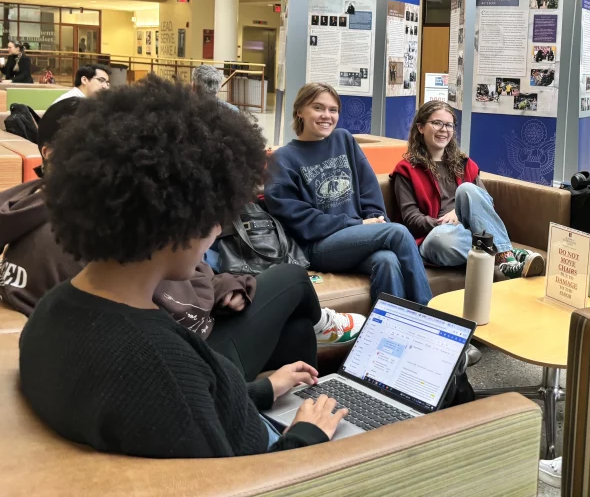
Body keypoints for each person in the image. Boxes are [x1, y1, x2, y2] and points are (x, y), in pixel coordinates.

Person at [19, 78, 350, 457]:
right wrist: (307, 435)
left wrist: (263, 389)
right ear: (180, 219)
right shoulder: (160, 364)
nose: (215, 232)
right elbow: (238, 480)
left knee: (293, 331)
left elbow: (195, 403)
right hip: (276, 460)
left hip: (242, 415)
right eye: (216, 218)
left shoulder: (52, 311)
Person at [1, 95, 364, 372]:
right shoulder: (90, 234)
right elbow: (165, 327)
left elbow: (178, 286)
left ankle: (308, 347)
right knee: (291, 279)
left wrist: (226, 287)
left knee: (297, 329)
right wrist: (264, 395)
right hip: (191, 352)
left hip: (193, 333)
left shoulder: (50, 216)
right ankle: (319, 331)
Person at [265, 83, 432, 306]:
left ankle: (389, 335)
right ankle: (433, 319)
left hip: (356, 238)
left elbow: (369, 189)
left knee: (387, 261)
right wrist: (358, 224)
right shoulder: (283, 159)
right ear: (299, 112)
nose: (327, 116)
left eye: (333, 110)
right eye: (318, 108)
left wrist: (375, 219)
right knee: (398, 233)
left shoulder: (343, 140)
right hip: (317, 246)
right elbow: (300, 221)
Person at [391, 100, 545, 277]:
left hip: (470, 229)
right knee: (440, 240)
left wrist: (458, 213)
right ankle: (505, 254)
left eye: (449, 125)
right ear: (421, 128)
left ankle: (504, 256)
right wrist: (443, 223)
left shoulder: (465, 164)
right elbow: (411, 218)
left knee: (467, 189)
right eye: (436, 123)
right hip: (437, 236)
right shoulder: (405, 170)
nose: (444, 129)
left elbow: (486, 205)